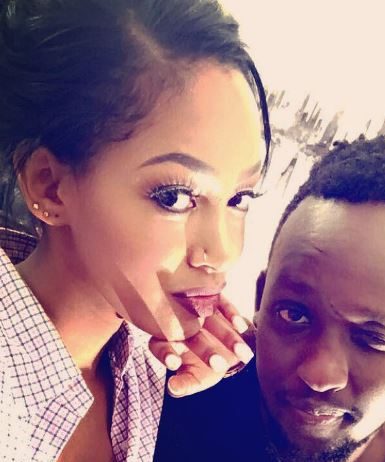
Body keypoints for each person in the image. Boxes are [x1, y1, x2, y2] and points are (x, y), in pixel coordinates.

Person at [0, 0, 271, 460]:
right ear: (50, 186)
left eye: (239, 198)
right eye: (175, 196)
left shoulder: (142, 365)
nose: (223, 252)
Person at [156, 134, 385, 462]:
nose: (318, 376)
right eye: (293, 315)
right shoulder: (174, 402)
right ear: (261, 300)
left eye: (373, 338)